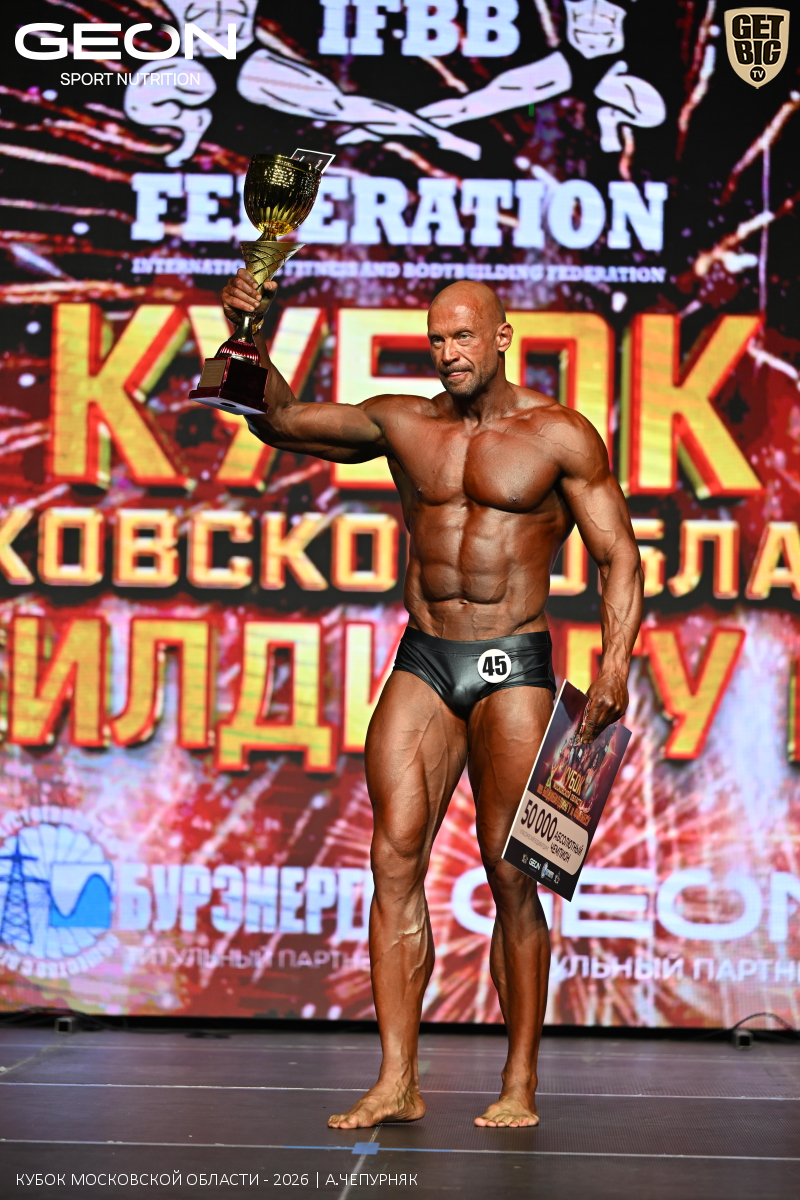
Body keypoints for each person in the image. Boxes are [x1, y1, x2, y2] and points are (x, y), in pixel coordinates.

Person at [220, 271, 644, 1129]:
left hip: (514, 661)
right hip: (426, 656)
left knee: (512, 874)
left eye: (463, 336)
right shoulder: (404, 422)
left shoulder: (560, 435)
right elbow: (280, 421)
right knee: (393, 859)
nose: (448, 352)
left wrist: (613, 668)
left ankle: (519, 1082)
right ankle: (396, 1080)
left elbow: (619, 556)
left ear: (501, 337)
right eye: (437, 339)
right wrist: (246, 334)